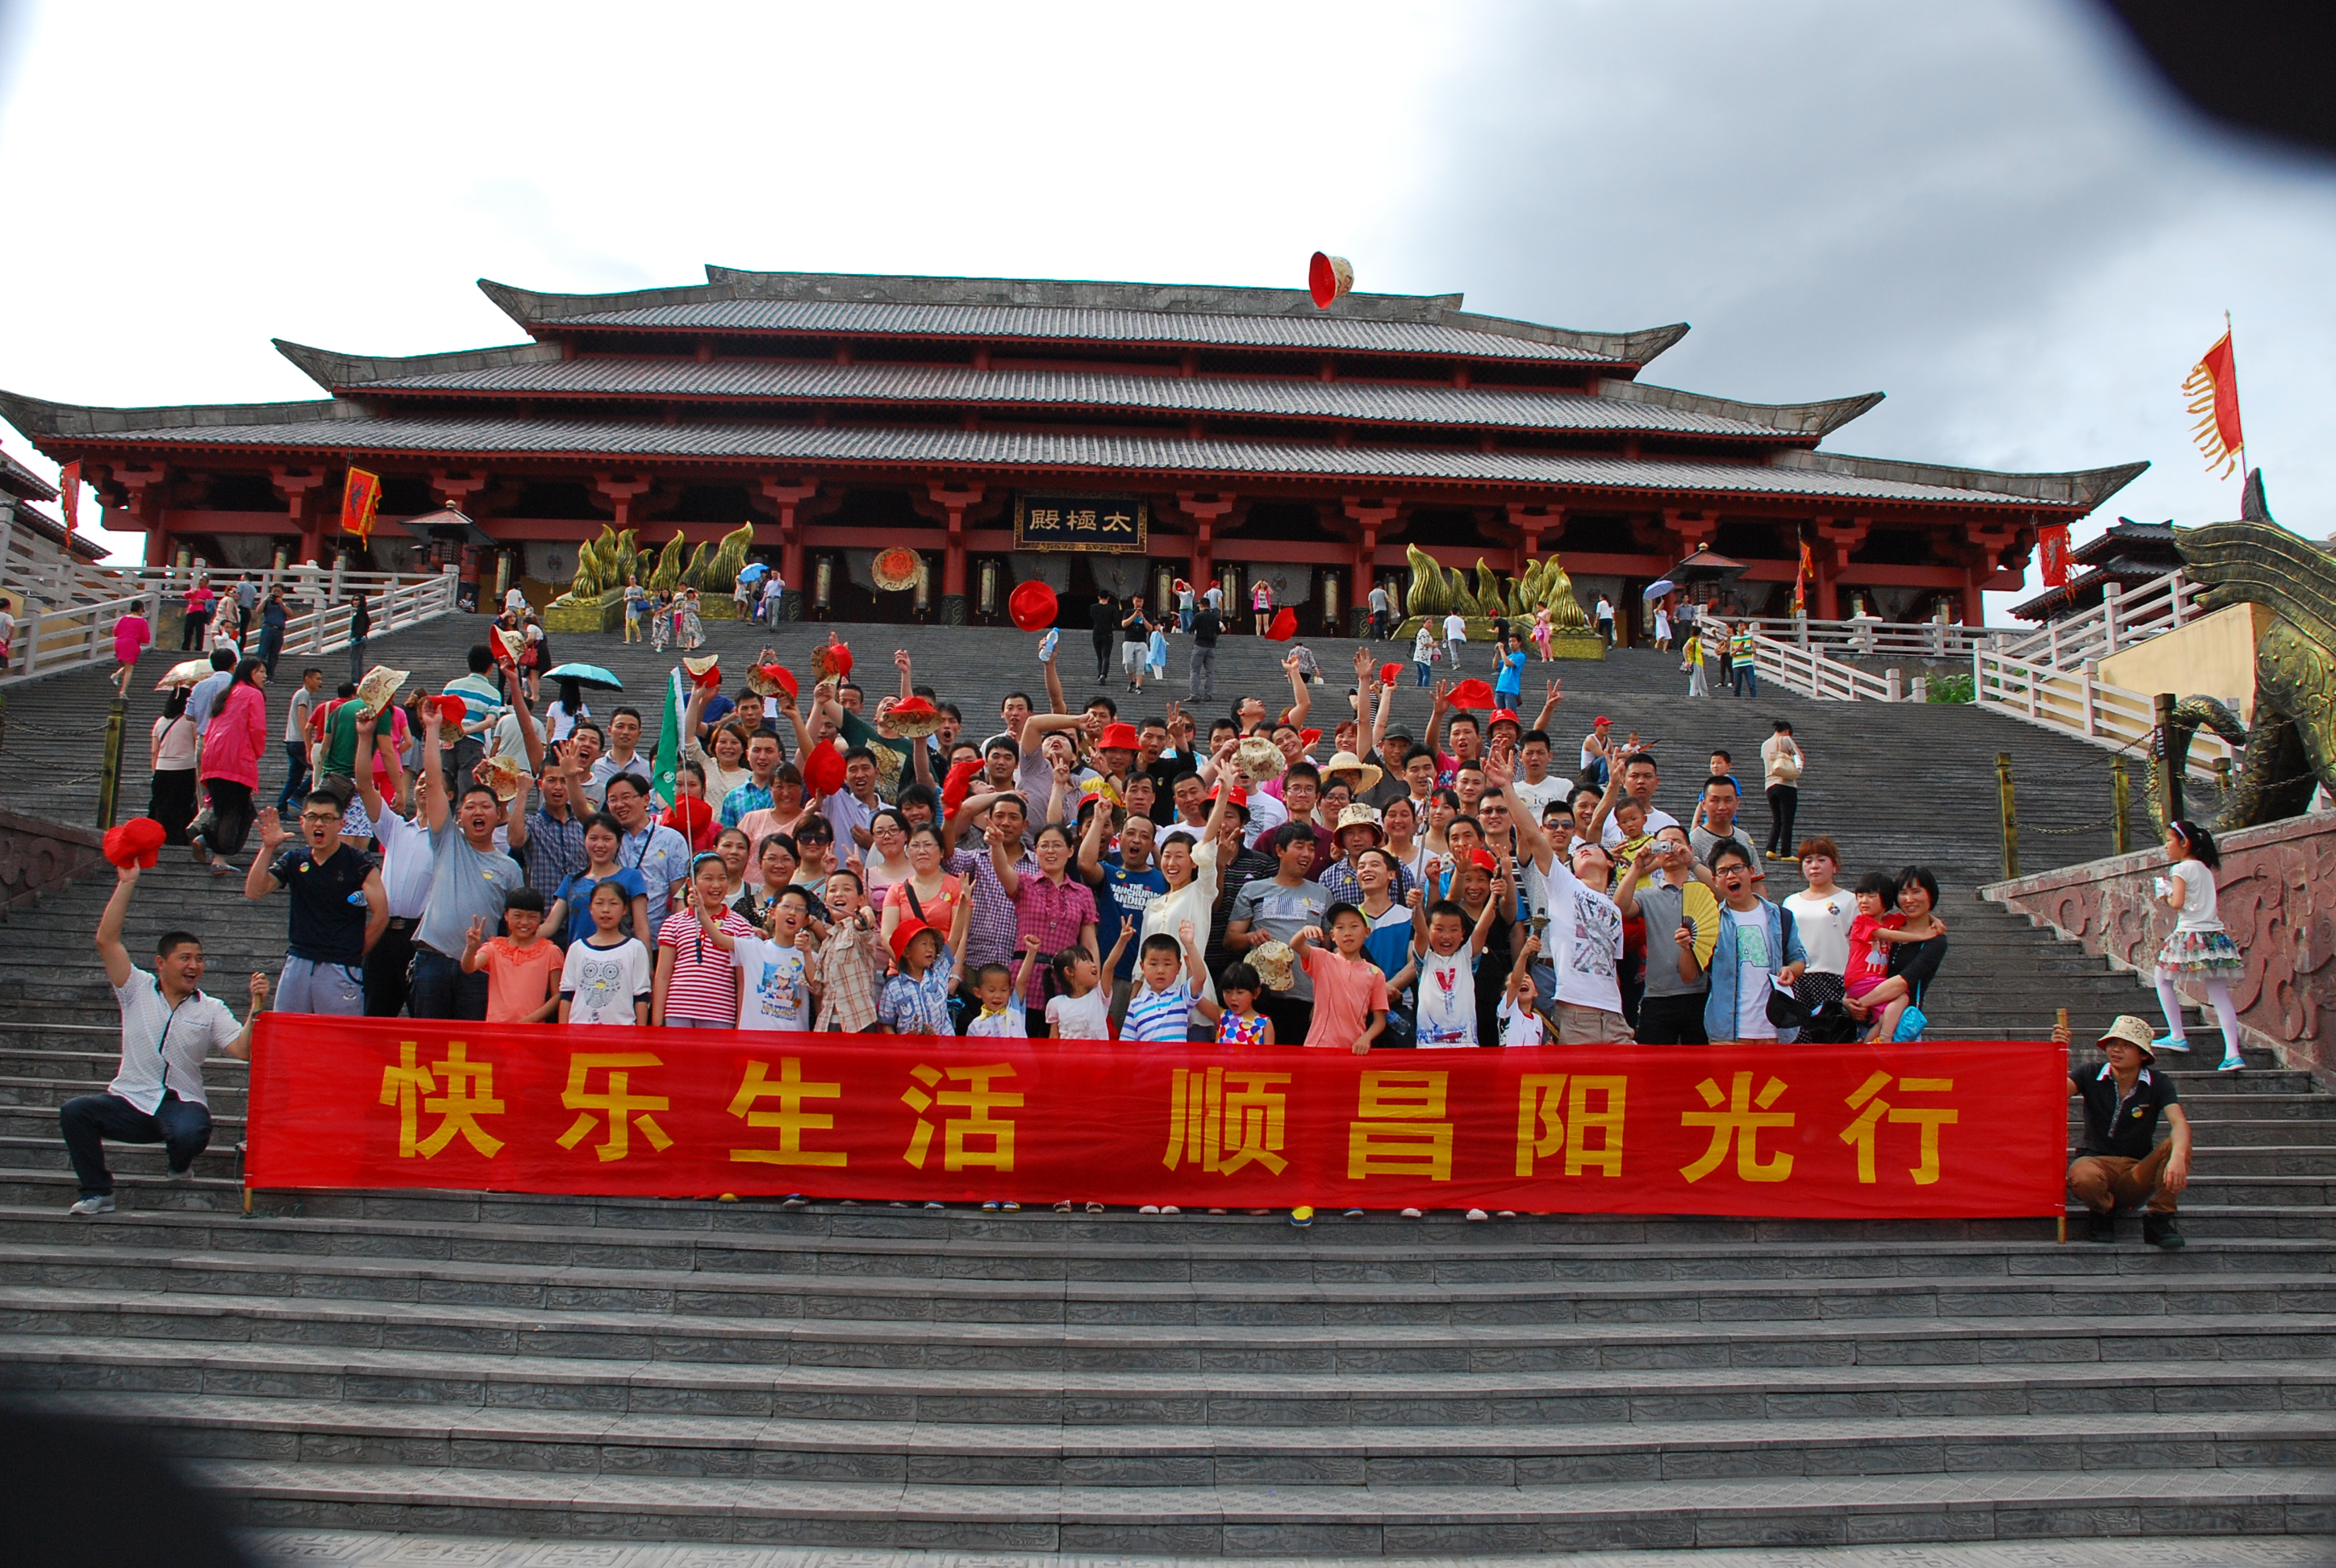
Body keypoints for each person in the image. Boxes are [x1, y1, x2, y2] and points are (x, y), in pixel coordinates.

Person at [63, 861, 265, 1214]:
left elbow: (242, 1049)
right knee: (75, 1111)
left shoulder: (211, 1007)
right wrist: (127, 882)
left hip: (181, 1104)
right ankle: (98, 1191)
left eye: (200, 959)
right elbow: (106, 940)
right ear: (161, 962)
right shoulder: (135, 989)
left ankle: (180, 1162)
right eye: (185, 958)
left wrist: (256, 1007)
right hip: (130, 1099)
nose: (194, 966)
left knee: (189, 1132)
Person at [408, 697, 528, 1020]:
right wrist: (432, 730)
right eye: (470, 806)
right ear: (458, 815)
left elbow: (514, 926)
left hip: (480, 965)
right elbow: (434, 781)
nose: (478, 811)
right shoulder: (447, 840)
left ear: (498, 814)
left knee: (471, 1048)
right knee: (428, 1047)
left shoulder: (509, 868)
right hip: (432, 959)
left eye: (485, 806)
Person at [244, 793, 386, 1015]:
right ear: (302, 822)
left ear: (342, 824)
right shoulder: (294, 860)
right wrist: (268, 848)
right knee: (289, 1035)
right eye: (312, 816)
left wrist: (357, 951)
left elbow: (381, 914)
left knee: (337, 1039)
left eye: (328, 818)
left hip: (340, 965)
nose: (319, 823)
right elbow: (254, 892)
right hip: (298, 961)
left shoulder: (359, 863)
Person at [2063, 1014, 2191, 1247]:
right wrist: (2056, 1052)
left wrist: (2178, 1158)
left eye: (2126, 1045)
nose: (2116, 1050)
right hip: (2094, 1161)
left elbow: (2179, 1122)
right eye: (2112, 1043)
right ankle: (2102, 1213)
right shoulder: (2090, 1073)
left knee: (2177, 1143)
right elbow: (2054, 1092)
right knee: (2083, 1175)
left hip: (2136, 1170)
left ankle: (2159, 1220)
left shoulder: (2158, 1082)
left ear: (2143, 1055)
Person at [1681, 841, 1806, 1044]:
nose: (1731, 875)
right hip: (1727, 1033)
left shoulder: (1781, 916)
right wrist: (1686, 948)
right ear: (1714, 879)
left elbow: (1798, 958)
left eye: (1737, 868)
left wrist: (1791, 970)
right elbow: (1689, 976)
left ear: (1751, 871)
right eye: (1723, 871)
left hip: (1776, 1031)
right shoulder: (1711, 922)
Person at [2149, 818, 2247, 1070]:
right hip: (2214, 936)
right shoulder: (2204, 868)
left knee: (2162, 979)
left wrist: (2166, 893)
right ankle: (2233, 1053)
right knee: (2219, 994)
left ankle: (2177, 1035)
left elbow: (2178, 903)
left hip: (2190, 934)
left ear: (2184, 842)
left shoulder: (2180, 869)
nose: (2166, 846)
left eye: (2170, 840)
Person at [1224, 822, 1333, 1045]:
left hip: (1307, 997)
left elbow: (1330, 948)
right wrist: (1249, 938)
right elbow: (1231, 940)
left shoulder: (1323, 894)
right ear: (1280, 850)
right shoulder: (1253, 890)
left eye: (1311, 848)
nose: (1307, 854)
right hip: (1260, 997)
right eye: (1299, 846)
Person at [1612, 829, 1717, 1045]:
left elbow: (1723, 892)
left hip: (1700, 994)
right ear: (1657, 853)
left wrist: (1692, 862)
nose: (1670, 849)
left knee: (1700, 1068)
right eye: (1663, 845)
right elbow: (1620, 907)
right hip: (1658, 995)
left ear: (1688, 848)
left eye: (1676, 843)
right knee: (1653, 1067)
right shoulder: (1648, 895)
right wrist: (1638, 866)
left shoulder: (1703, 890)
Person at [1845, 866, 1947, 1044]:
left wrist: (1861, 1003)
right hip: (1868, 1017)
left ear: (1931, 895)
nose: (1909, 899)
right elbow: (1862, 969)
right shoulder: (1889, 929)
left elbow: (1901, 983)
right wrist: (1847, 1000)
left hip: (1901, 1025)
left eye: (1916, 892)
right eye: (1903, 893)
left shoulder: (1935, 941)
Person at [190, 657, 269, 877]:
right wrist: (255, 753)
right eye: (260, 671)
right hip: (235, 759)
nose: (264, 676)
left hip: (213, 757)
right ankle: (219, 857)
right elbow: (257, 729)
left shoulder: (226, 693)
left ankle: (204, 837)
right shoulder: (253, 695)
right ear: (249, 672)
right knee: (236, 811)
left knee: (224, 806)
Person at [1289, 905, 1387, 1053]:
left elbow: (1380, 1021)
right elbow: (1295, 945)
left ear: (1367, 932)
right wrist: (1304, 932)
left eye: (1354, 926)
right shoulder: (1323, 959)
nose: (1347, 933)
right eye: (1340, 927)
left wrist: (1366, 1038)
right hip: (1319, 1046)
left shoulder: (1375, 974)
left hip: (1354, 1050)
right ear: (1333, 935)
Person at [461, 887, 562, 1024]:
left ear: (541, 919)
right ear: (506, 916)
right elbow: (469, 967)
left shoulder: (551, 951)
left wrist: (529, 1021)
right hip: (496, 1030)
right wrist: (471, 948)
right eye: (517, 916)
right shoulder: (494, 948)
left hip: (531, 1031)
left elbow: (558, 995)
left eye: (532, 917)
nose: (524, 922)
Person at [1780, 836, 1856, 1018]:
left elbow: (1858, 945)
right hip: (1798, 980)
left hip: (1837, 980)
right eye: (1808, 861)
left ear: (1834, 865)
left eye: (1822, 860)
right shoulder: (1790, 902)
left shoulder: (1850, 901)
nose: (1815, 866)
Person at [559, 881, 652, 1026]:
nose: (606, 910)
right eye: (599, 903)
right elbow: (567, 994)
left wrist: (639, 1034)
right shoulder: (577, 948)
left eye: (613, 904)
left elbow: (641, 996)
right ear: (590, 908)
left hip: (621, 1032)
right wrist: (563, 1033)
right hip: (579, 1031)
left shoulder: (635, 948)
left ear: (625, 909)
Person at [878, 917, 959, 1036]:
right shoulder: (893, 988)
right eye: (923, 944)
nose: (930, 949)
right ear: (906, 952)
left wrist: (963, 903)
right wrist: (900, 1045)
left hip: (944, 1048)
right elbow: (886, 1024)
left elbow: (956, 938)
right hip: (911, 1052)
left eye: (932, 944)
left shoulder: (939, 971)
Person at [148, 686, 202, 844]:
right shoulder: (189, 721)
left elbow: (154, 750)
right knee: (183, 804)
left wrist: (155, 770)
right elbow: (196, 744)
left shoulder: (160, 722)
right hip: (186, 768)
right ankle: (181, 836)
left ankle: (160, 835)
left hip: (162, 768)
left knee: (162, 805)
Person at [276, 668, 323, 812]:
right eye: (317, 679)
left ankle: (281, 808)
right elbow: (301, 718)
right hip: (298, 741)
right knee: (319, 770)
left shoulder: (303, 695)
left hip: (292, 740)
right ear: (307, 679)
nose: (320, 682)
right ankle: (298, 795)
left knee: (295, 777)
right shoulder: (303, 695)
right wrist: (307, 740)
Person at [1761, 721, 1804, 861]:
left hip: (1769, 786)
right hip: (1785, 783)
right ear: (1787, 731)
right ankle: (1786, 852)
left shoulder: (1765, 744)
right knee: (1787, 820)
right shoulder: (1786, 739)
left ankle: (1770, 849)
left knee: (1777, 819)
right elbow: (1799, 756)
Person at [111, 605, 152, 697]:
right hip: (131, 642)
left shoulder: (123, 618)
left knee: (128, 664)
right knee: (130, 668)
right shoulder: (141, 621)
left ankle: (117, 675)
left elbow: (116, 631)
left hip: (119, 642)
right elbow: (145, 637)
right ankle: (123, 691)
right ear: (140, 609)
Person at [1187, 592, 1220, 702]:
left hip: (1200, 645)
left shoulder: (1199, 616)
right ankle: (1208, 694)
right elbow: (1218, 631)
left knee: (1195, 671)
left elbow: (1191, 629)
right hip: (1211, 647)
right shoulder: (1215, 617)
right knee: (1209, 672)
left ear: (1201, 606)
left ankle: (1195, 694)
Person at [1120, 594, 1153, 693]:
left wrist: (1143, 618)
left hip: (1141, 641)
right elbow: (1124, 624)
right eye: (1137, 601)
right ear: (1133, 601)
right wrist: (1135, 615)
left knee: (1140, 665)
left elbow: (1150, 628)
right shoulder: (1128, 612)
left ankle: (1138, 686)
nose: (1139, 603)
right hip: (1129, 640)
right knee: (1127, 662)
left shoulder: (1147, 614)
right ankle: (1132, 681)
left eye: (1141, 601)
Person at [257, 586, 290, 678]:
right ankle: (258, 673)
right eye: (274, 591)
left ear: (283, 593)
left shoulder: (284, 604)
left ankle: (270, 676)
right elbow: (258, 611)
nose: (276, 593)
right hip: (268, 628)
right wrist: (265, 600)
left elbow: (290, 614)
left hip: (279, 631)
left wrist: (281, 604)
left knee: (274, 655)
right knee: (262, 653)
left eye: (278, 591)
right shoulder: (267, 604)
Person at [1090, 588, 1120, 682]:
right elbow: (1116, 622)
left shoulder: (1093, 607)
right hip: (1108, 633)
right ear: (1109, 598)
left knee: (1099, 657)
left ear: (1099, 597)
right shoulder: (1112, 608)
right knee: (1106, 656)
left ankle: (1099, 674)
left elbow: (1092, 617)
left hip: (1097, 632)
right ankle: (1103, 674)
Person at [342, 592, 370, 686]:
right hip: (362, 638)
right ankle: (359, 679)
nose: (355, 602)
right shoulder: (361, 611)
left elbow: (362, 625)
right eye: (354, 599)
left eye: (357, 600)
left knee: (355, 660)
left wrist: (357, 637)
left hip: (359, 639)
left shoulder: (360, 612)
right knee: (358, 659)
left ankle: (355, 680)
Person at [180, 576, 215, 650]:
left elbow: (211, 603)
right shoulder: (194, 590)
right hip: (190, 611)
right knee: (188, 630)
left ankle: (199, 647)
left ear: (206, 583)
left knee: (199, 630)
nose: (200, 582)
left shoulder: (208, 592)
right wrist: (192, 592)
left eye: (202, 581)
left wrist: (201, 601)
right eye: (200, 580)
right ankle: (185, 647)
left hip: (200, 611)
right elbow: (185, 596)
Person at [1729, 622, 1758, 697]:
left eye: (1744, 625)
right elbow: (1731, 653)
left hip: (1748, 663)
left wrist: (1745, 650)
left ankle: (1754, 699)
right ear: (1737, 628)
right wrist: (1737, 650)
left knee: (1751, 684)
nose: (1743, 627)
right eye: (1740, 625)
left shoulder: (1749, 637)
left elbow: (1755, 651)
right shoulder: (1733, 639)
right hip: (1737, 664)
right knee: (1737, 686)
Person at [1441, 608, 1467, 672]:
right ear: (1458, 612)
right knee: (1456, 651)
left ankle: (1455, 663)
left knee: (1453, 651)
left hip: (1451, 637)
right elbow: (1463, 630)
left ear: (1451, 612)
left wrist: (1444, 638)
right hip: (1459, 637)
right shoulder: (1461, 620)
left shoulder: (1447, 619)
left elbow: (1444, 629)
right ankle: (1455, 661)